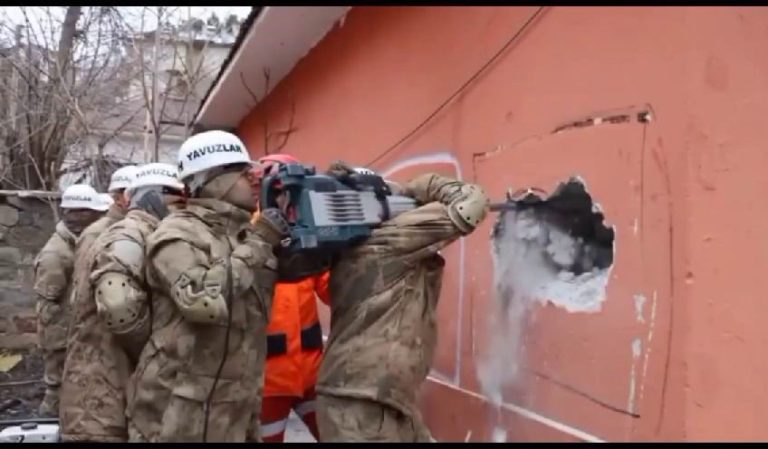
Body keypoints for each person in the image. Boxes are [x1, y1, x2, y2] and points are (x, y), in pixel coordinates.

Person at [125, 130, 289, 442]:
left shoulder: (249, 235)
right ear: (210, 180)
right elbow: (202, 301)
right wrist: (259, 243)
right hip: (177, 413)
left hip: (239, 408)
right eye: (243, 172)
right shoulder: (177, 233)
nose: (254, 179)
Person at [315, 161, 490, 442]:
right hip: (361, 404)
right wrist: (422, 186)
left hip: (376, 397)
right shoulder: (388, 242)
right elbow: (471, 205)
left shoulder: (352, 249)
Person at [59, 163, 185, 442]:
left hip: (105, 393)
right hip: (102, 399)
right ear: (156, 197)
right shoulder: (131, 235)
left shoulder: (131, 232)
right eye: (179, 201)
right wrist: (152, 349)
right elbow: (118, 307)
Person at [255, 154, 330, 443]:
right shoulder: (250, 237)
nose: (286, 200)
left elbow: (334, 293)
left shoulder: (310, 237)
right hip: (266, 383)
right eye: (278, 191)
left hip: (312, 375)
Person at [33, 184, 109, 417]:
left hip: (69, 331)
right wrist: (64, 341)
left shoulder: (75, 245)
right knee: (57, 386)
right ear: (78, 214)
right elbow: (51, 306)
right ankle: (50, 420)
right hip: (60, 336)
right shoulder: (55, 255)